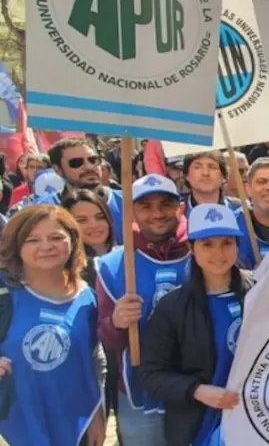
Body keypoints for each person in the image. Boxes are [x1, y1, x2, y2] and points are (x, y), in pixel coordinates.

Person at [140, 204, 255, 446]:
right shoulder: (172, 307)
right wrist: (197, 390)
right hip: (199, 426)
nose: (218, 253)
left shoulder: (260, 291)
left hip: (256, 421)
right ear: (192, 249)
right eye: (207, 244)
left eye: (226, 243)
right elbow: (152, 374)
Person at [97, 174, 191, 446]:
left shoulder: (202, 252)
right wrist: (116, 322)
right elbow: (104, 336)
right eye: (145, 206)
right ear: (131, 212)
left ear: (179, 207)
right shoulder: (113, 265)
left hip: (195, 384)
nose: (157, 213)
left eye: (165, 204)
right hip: (139, 390)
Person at [0, 205, 106, 446]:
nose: (46, 246)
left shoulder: (87, 297)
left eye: (57, 237)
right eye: (33, 240)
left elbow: (93, 360)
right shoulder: (3, 292)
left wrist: (97, 412)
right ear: (16, 246)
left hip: (74, 423)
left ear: (73, 241)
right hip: (14, 426)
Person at [61, 189, 121, 431]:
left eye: (99, 216)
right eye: (81, 220)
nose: (94, 225)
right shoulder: (63, 273)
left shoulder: (126, 260)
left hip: (127, 368)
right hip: (87, 373)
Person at [46, 139, 125, 244]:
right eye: (76, 163)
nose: (89, 167)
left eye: (93, 160)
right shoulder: (46, 209)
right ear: (57, 170)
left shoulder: (126, 201)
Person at [181, 152, 241, 218]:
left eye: (212, 167)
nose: (205, 173)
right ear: (186, 175)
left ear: (223, 176)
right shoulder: (178, 211)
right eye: (197, 167)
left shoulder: (243, 210)